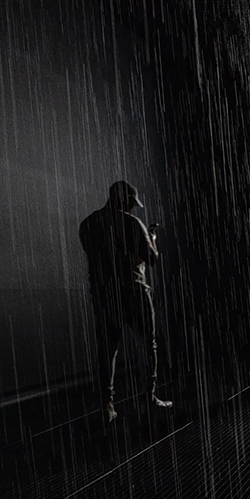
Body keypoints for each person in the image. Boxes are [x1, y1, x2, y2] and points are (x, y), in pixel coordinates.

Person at [78, 180, 173, 423]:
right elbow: (150, 258)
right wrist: (151, 237)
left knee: (107, 349)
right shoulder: (132, 223)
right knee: (147, 344)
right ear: (124, 199)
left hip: (104, 293)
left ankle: (106, 406)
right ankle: (148, 399)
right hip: (133, 290)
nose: (133, 208)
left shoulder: (88, 224)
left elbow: (99, 257)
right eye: (131, 202)